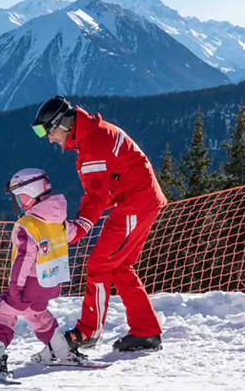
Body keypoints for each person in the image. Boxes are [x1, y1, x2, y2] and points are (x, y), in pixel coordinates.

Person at [30, 96, 167, 353]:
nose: (49, 139)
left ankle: (87, 333)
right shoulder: (92, 134)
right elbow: (104, 187)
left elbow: (97, 197)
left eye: (48, 131)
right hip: (140, 199)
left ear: (63, 124)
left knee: (99, 264)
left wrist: (78, 228)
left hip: (135, 203)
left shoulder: (93, 145)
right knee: (119, 266)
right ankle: (146, 331)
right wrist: (79, 223)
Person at [0, 168, 87, 379]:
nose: (19, 203)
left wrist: (15, 287)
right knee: (37, 314)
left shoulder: (27, 225)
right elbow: (72, 234)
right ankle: (62, 351)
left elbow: (23, 260)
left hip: (27, 283)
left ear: (32, 193)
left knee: (2, 314)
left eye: (21, 197)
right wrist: (85, 221)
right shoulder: (60, 220)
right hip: (50, 284)